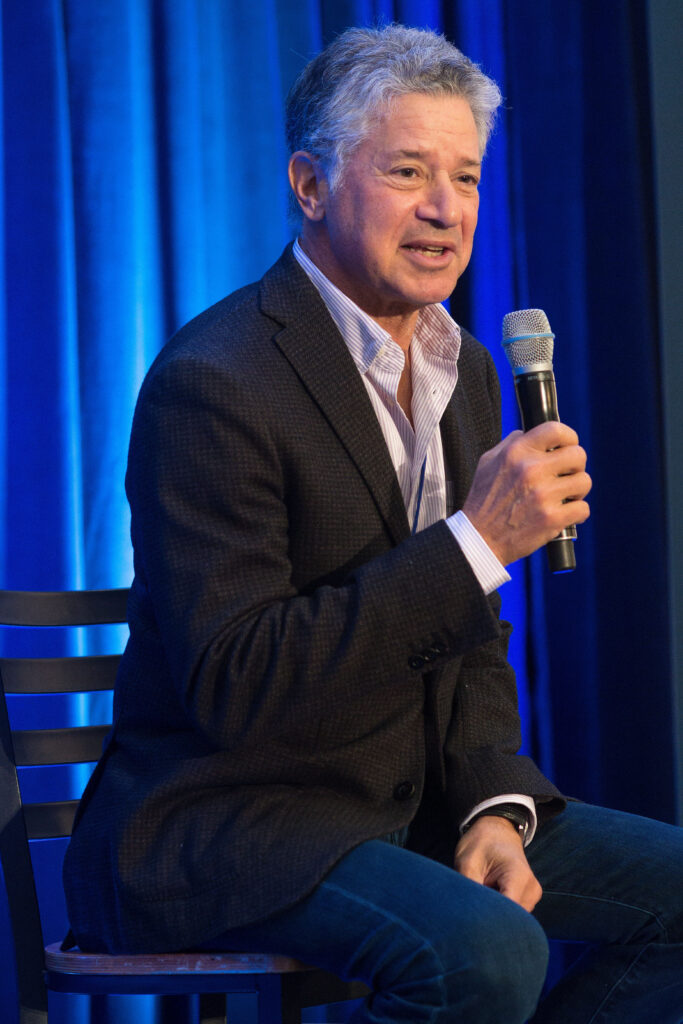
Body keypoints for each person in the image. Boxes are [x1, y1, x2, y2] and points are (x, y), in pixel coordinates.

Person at [63, 24, 683, 1023]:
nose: (446, 209)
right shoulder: (213, 384)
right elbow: (238, 683)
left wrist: (491, 802)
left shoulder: (467, 371)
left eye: (467, 177)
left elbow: (472, 645)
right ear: (310, 185)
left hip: (408, 804)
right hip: (238, 815)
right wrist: (475, 543)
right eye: (408, 171)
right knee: (484, 955)